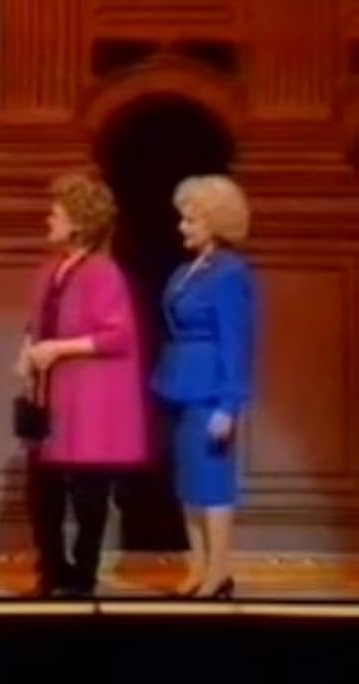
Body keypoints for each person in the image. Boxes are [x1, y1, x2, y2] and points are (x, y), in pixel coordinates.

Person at [14, 173, 149, 597]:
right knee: (44, 492)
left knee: (89, 494)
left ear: (78, 222)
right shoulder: (50, 270)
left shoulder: (103, 273)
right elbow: (36, 323)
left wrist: (58, 348)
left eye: (55, 213)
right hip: (51, 398)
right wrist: (27, 351)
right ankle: (52, 571)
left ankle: (82, 576)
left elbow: (118, 336)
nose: (47, 219)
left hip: (88, 401)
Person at [151, 175, 256, 600]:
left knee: (212, 481)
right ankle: (197, 566)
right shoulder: (185, 271)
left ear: (214, 222)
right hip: (178, 383)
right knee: (188, 480)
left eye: (191, 220)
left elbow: (236, 341)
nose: (182, 227)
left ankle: (219, 571)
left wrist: (228, 405)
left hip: (210, 389)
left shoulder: (230, 273)